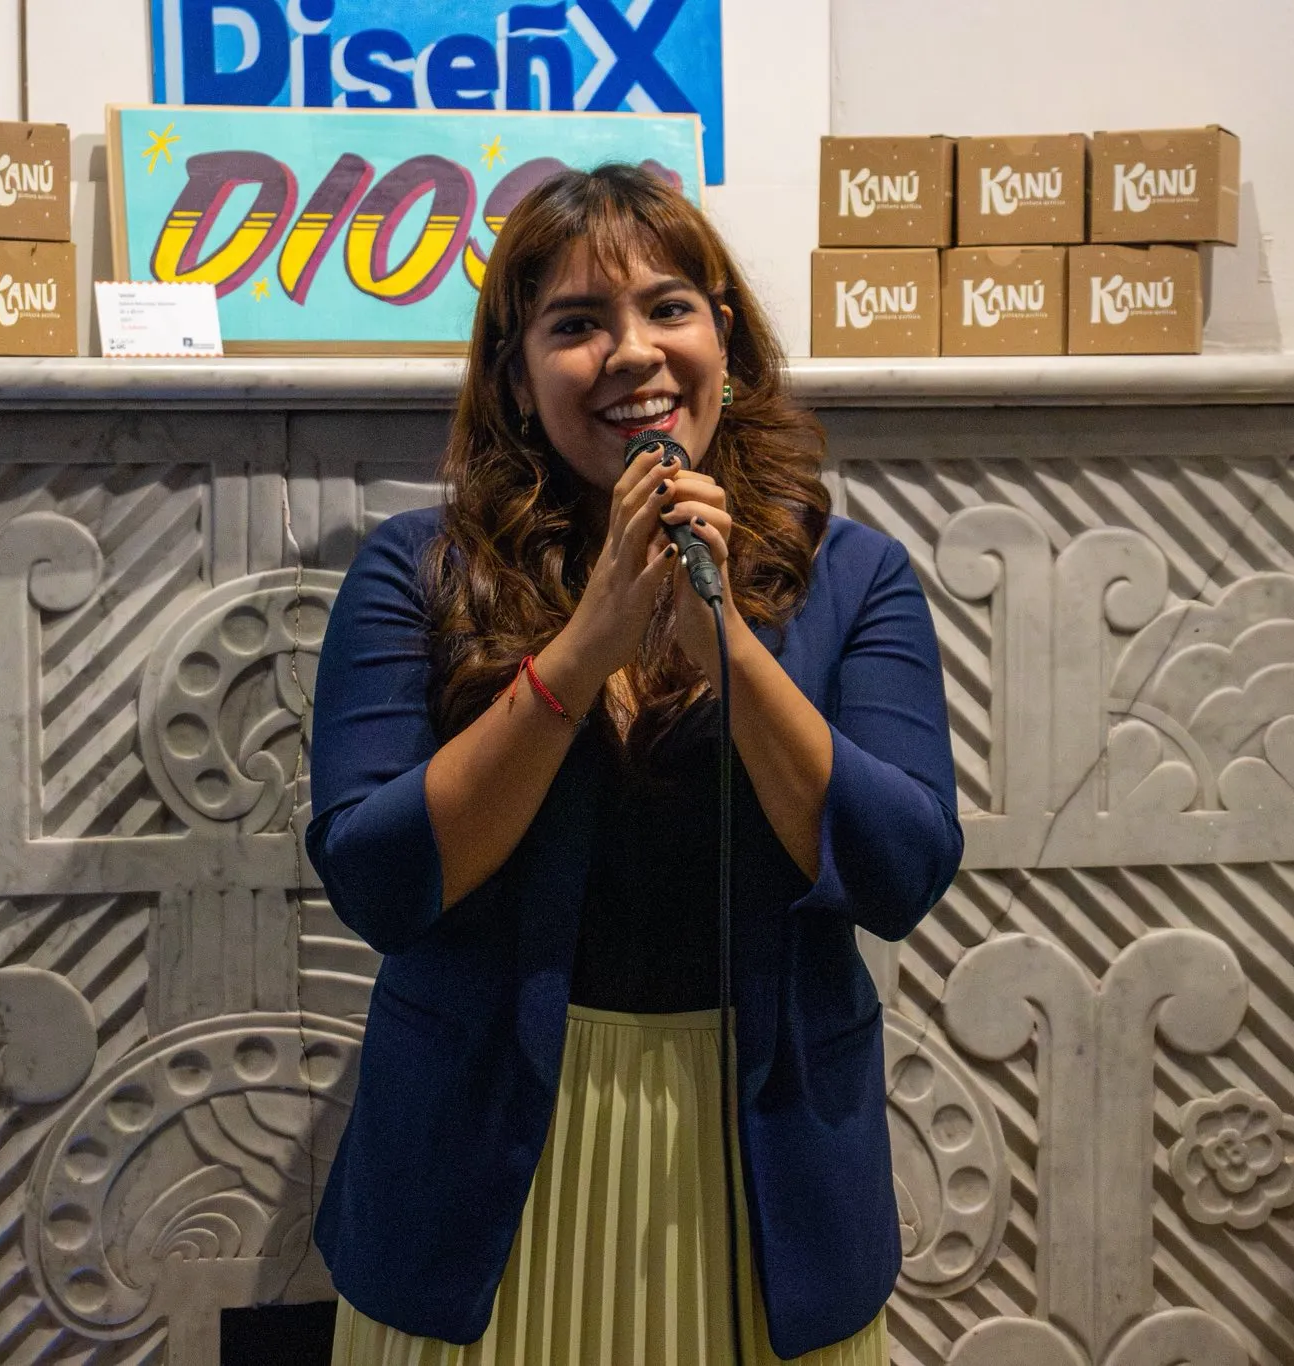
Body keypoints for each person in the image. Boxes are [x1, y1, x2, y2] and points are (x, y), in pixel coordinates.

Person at [305, 162, 964, 1365]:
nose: (632, 353)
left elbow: (900, 871)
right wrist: (587, 643)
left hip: (763, 1178)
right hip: (476, 1181)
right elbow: (378, 880)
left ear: (725, 340)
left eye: (668, 308)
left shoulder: (850, 575)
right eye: (574, 324)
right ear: (515, 377)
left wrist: (725, 648)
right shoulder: (416, 570)